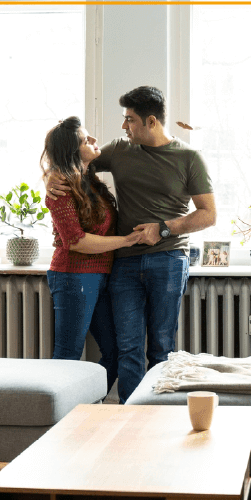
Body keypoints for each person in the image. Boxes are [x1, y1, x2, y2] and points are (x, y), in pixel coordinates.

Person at [47, 86, 217, 401]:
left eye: (130, 119)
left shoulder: (189, 158)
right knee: (128, 349)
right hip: (123, 264)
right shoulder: (120, 150)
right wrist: (49, 177)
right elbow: (71, 161)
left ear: (151, 121)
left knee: (161, 348)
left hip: (168, 260)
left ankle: (156, 419)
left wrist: (164, 228)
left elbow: (208, 215)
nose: (124, 127)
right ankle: (129, 419)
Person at [41, 116, 146, 396]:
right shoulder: (60, 188)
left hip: (101, 277)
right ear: (73, 151)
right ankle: (57, 419)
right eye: (86, 140)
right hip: (73, 276)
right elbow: (75, 242)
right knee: (68, 354)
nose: (94, 141)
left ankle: (84, 407)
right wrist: (125, 241)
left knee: (113, 352)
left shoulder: (90, 182)